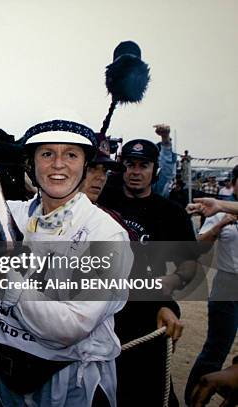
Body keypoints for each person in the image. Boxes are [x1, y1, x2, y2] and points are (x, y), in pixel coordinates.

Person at [0, 119, 133, 407]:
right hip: (7, 378)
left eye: (71, 155)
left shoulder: (105, 234)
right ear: (31, 164)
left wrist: (8, 275)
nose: (58, 164)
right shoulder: (9, 214)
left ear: (84, 166)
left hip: (70, 382)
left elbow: (70, 326)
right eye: (47, 154)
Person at [98, 138, 196, 407]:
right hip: (102, 315)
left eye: (144, 165)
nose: (136, 171)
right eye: (130, 164)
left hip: (147, 315)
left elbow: (189, 264)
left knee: (149, 392)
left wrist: (173, 280)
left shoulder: (171, 214)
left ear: (156, 170)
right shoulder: (101, 203)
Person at [184, 165, 238, 405]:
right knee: (217, 346)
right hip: (227, 282)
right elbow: (200, 245)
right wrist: (220, 225)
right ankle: (194, 397)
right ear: (233, 184)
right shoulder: (219, 210)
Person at [152, 124, 178, 198]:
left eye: (143, 166)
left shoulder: (156, 185)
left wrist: (165, 137)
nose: (136, 172)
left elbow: (166, 163)